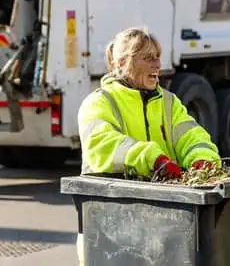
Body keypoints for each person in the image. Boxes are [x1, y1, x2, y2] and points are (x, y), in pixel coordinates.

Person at [75, 27, 221, 265]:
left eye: (157, 57)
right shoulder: (99, 102)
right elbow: (102, 143)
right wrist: (153, 160)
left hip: (160, 227)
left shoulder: (168, 102)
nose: (157, 65)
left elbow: (192, 135)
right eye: (147, 58)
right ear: (123, 63)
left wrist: (202, 160)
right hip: (110, 226)